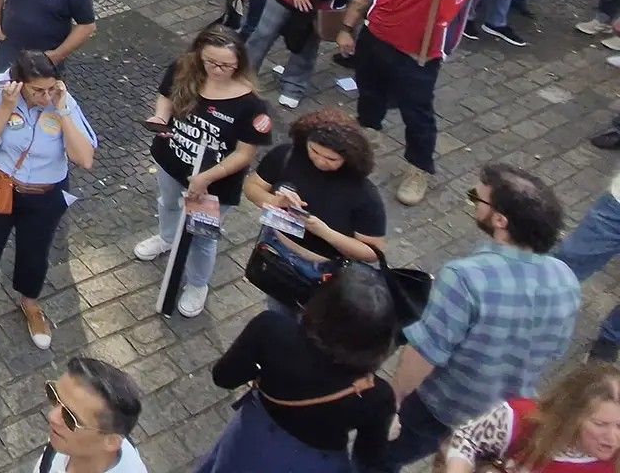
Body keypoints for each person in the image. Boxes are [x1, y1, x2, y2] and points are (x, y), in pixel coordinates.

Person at [386, 164, 582, 469]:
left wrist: (395, 400)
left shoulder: (464, 278)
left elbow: (425, 353)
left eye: (477, 199)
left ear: (500, 220)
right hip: (501, 416)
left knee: (375, 460)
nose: (475, 202)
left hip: (441, 407)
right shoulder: (565, 278)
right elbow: (554, 350)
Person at [0, 51, 97, 350]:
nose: (45, 96)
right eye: (37, 91)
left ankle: (30, 302)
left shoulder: (62, 99)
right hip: (1, 186)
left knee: (36, 250)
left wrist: (62, 110)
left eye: (51, 88)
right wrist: (6, 107)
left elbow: (84, 159)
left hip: (45, 192)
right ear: (19, 83)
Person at [197, 263, 398, 473]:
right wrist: (385, 430)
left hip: (252, 437)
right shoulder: (376, 395)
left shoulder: (270, 329)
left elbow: (224, 377)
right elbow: (368, 460)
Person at [134, 27, 272, 317]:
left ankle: (198, 284)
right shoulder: (184, 68)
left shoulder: (252, 105)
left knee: (204, 236)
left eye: (225, 65)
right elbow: (166, 96)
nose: (217, 70)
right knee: (167, 203)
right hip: (172, 160)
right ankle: (167, 238)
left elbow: (245, 153)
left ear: (239, 64)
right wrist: (161, 117)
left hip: (214, 184)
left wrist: (206, 178)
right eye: (210, 62)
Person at [338, 0, 464, 207]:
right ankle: (369, 132)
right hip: (375, 40)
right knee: (369, 92)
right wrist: (347, 28)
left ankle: (418, 168)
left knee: (417, 114)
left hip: (419, 56)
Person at [243, 109, 387, 305]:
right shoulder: (286, 156)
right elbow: (252, 187)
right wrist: (276, 202)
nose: (320, 161)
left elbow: (372, 252)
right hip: (275, 249)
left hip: (322, 271)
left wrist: (324, 232)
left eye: (331, 159)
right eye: (315, 151)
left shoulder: (364, 194)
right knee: (276, 306)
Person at [440, 363, 620, 472]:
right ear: (571, 416)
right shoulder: (523, 419)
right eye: (600, 424)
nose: (612, 438)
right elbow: (466, 440)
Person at [36, 357, 149, 472]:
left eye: (70, 418)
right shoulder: (64, 443)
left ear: (111, 441)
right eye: (53, 395)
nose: (52, 417)